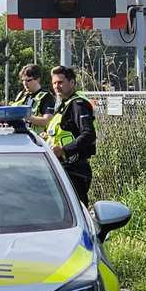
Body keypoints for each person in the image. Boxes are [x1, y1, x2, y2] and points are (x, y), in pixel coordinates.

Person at [45, 65, 97, 206]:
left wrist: (64, 150)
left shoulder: (77, 104)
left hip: (75, 169)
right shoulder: (64, 104)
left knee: (77, 210)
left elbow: (88, 134)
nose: (57, 86)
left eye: (60, 82)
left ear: (72, 83)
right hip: (64, 166)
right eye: (54, 83)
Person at [10, 64, 55, 128]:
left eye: (28, 80)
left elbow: (47, 121)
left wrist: (25, 116)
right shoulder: (22, 95)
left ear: (38, 79)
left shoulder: (46, 97)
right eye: (23, 80)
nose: (25, 83)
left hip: (37, 136)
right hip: (20, 134)